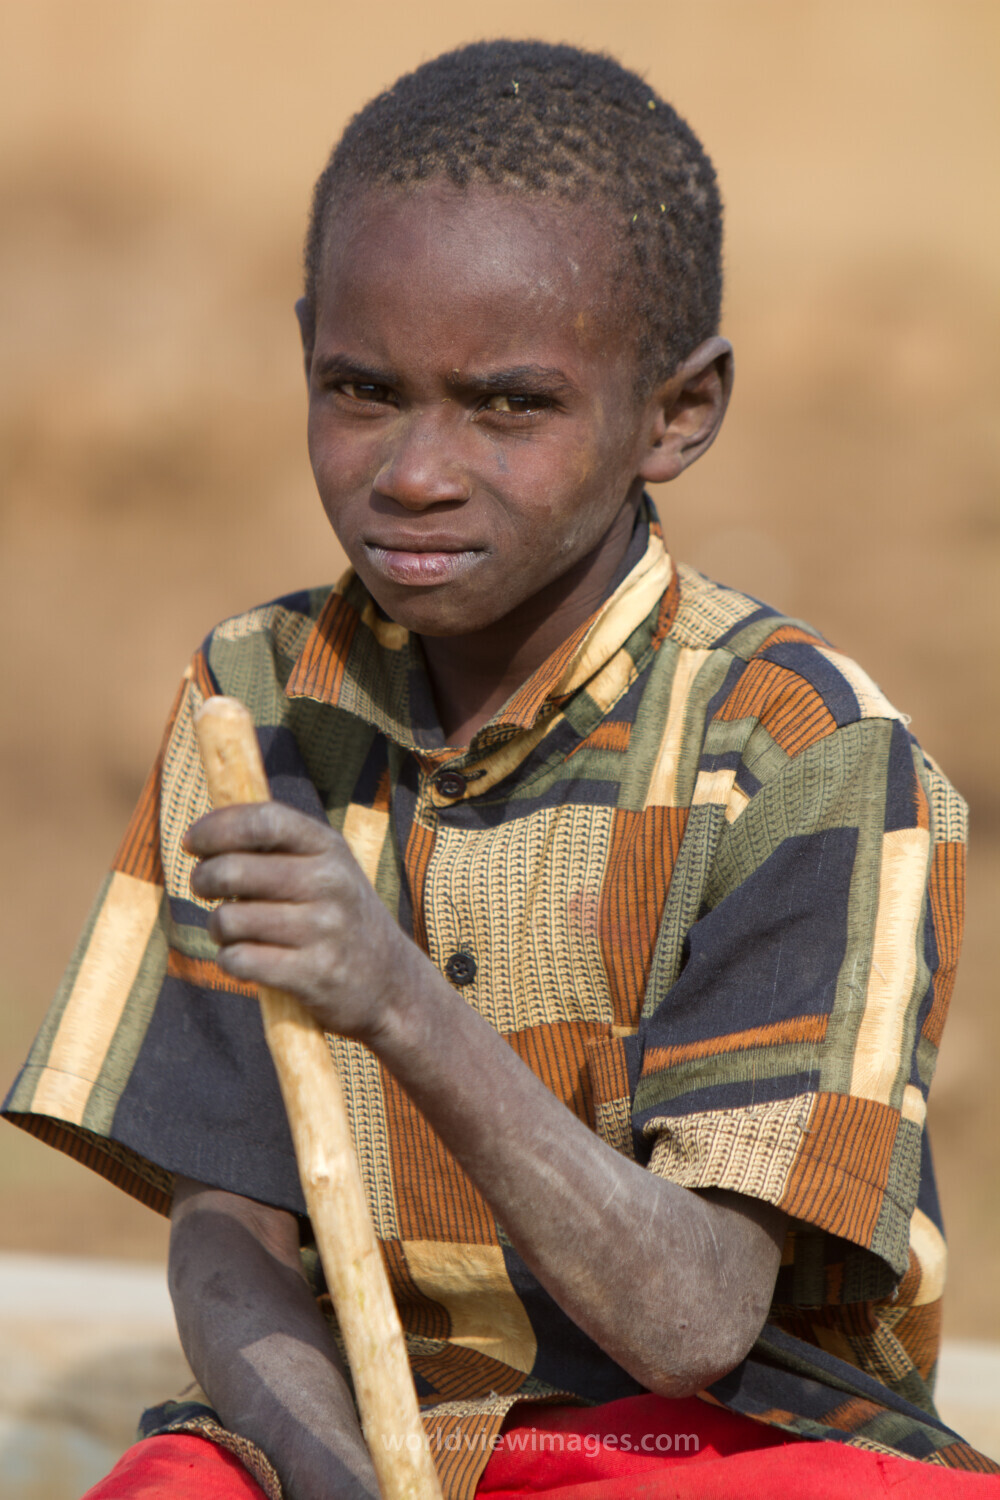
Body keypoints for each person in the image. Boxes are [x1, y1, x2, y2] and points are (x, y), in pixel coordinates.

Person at [4, 39, 997, 1500]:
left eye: (509, 406)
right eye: (361, 390)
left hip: (705, 1442)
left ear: (678, 413)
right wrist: (328, 1467)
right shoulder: (251, 704)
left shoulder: (806, 750)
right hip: (351, 1423)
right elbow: (226, 1229)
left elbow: (698, 1317)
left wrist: (396, 996)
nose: (413, 469)